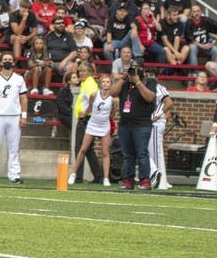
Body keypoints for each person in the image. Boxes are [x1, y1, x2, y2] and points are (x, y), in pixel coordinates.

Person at [109, 60, 157, 191]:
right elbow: (112, 92)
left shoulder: (149, 82)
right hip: (125, 125)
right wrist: (123, 78)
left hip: (142, 125)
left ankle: (145, 180)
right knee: (127, 155)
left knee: (142, 153)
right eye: (131, 68)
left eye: (135, 68)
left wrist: (137, 82)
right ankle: (128, 180)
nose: (133, 71)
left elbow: (150, 97)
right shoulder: (125, 83)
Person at [0, 53, 29, 183]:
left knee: (14, 147)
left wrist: (24, 116)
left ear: (13, 62)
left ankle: (14, 174)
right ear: (1, 62)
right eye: (5, 59)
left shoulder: (19, 79)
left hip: (14, 116)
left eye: (10, 59)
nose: (7, 61)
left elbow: (24, 98)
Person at [70, 73, 114, 188]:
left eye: (108, 82)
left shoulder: (113, 99)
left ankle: (105, 178)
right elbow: (89, 108)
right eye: (103, 82)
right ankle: (73, 173)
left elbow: (112, 114)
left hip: (104, 126)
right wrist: (84, 114)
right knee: (83, 149)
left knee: (105, 152)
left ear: (111, 84)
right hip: (93, 124)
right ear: (100, 84)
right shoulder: (94, 95)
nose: (105, 84)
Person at [148, 69, 174, 190]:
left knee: (155, 150)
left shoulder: (159, 88)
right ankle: (155, 176)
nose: (150, 77)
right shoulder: (145, 87)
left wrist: (158, 115)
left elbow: (169, 103)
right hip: (148, 122)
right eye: (148, 75)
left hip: (156, 122)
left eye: (152, 75)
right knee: (151, 150)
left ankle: (158, 178)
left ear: (157, 77)